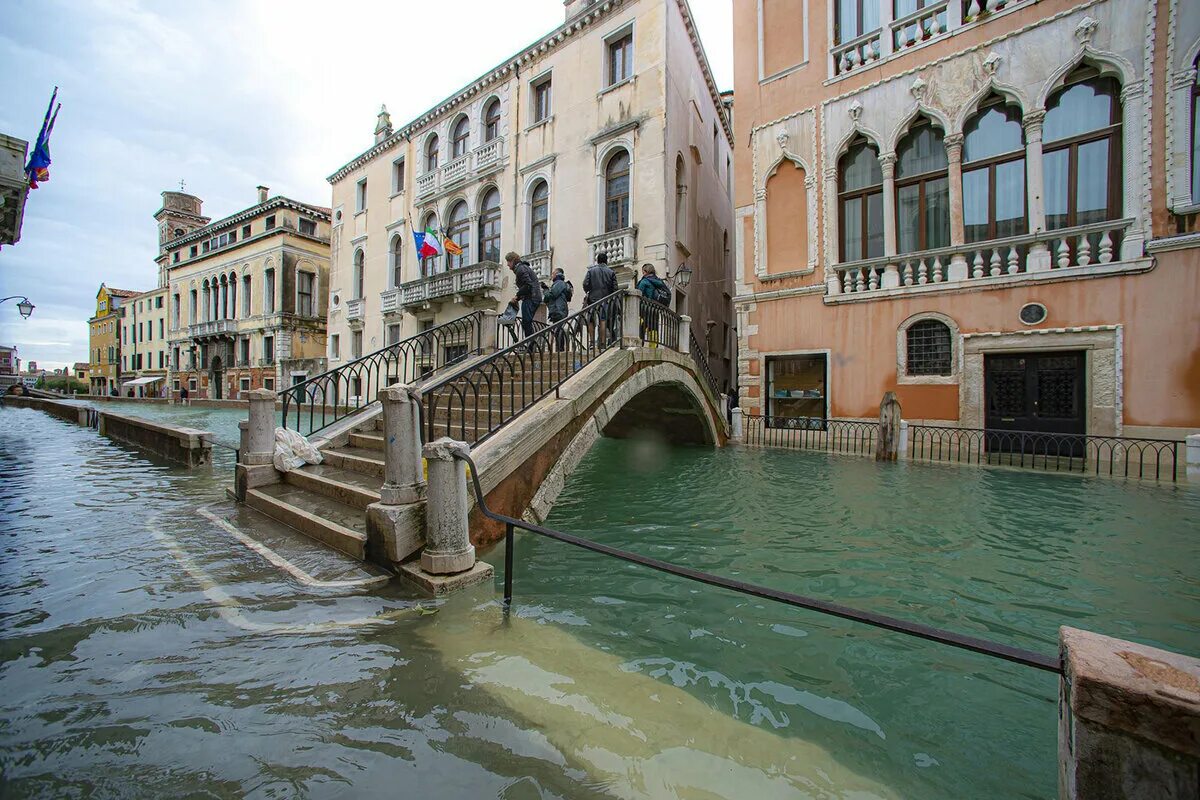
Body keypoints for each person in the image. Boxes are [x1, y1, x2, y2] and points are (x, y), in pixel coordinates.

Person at [583, 252, 619, 347]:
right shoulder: (611, 272)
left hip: (592, 299)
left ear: (597, 261)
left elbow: (585, 284)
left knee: (591, 320)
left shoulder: (591, 271)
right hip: (605, 299)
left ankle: (591, 343)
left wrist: (589, 291)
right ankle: (602, 343)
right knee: (603, 320)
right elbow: (615, 288)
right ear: (606, 261)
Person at [505, 251, 542, 339]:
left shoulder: (521, 269)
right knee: (527, 322)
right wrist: (517, 298)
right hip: (534, 297)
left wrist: (517, 296)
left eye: (508, 261)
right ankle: (530, 344)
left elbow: (528, 285)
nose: (507, 264)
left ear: (513, 261)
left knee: (526, 322)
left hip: (531, 298)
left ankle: (530, 345)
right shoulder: (522, 268)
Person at [635, 263, 670, 346]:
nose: (642, 274)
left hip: (644, 309)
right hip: (655, 309)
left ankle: (639, 345)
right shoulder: (659, 281)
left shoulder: (644, 282)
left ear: (646, 271)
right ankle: (654, 347)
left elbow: (638, 295)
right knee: (653, 328)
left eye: (643, 272)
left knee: (640, 329)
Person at [544, 267, 573, 350]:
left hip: (559, 310)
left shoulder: (559, 283)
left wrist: (546, 290)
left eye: (553, 274)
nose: (551, 276)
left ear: (557, 274)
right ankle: (559, 349)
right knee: (558, 330)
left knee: (559, 330)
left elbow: (552, 295)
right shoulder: (559, 283)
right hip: (559, 309)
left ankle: (560, 349)